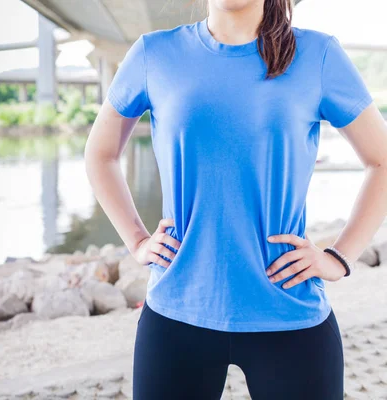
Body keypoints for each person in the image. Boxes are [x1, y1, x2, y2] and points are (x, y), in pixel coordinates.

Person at [84, 0, 387, 399]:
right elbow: (100, 155)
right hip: (177, 315)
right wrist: (138, 241)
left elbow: (381, 161)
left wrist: (338, 257)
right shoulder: (153, 54)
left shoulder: (318, 55)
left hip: (290, 316)